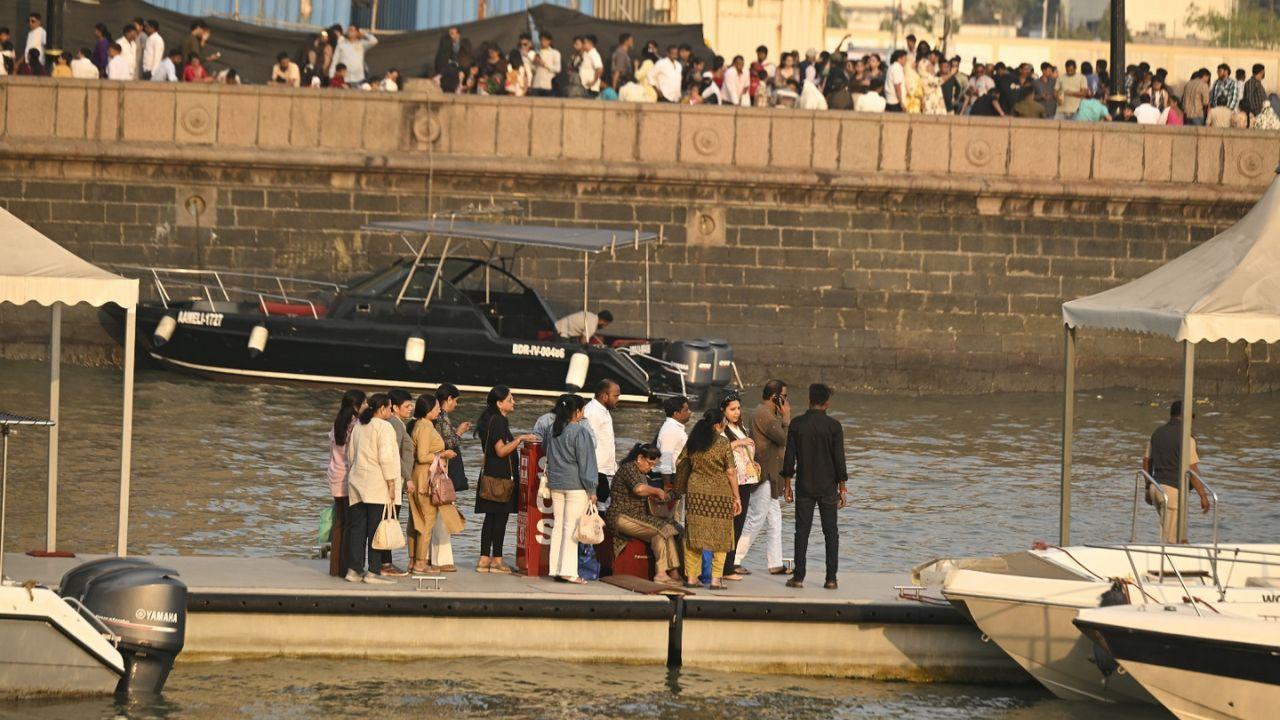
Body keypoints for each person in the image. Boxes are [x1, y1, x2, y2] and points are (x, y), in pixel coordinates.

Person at [782, 383, 848, 590]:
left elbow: (789, 458)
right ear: (827, 404)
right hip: (828, 487)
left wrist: (787, 486)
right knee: (831, 533)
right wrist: (842, 488)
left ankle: (799, 577)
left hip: (804, 486)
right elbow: (839, 460)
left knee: (802, 532)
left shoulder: (797, 424)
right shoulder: (834, 426)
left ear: (809, 400)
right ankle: (831, 579)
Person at [474, 386, 538, 574]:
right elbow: (501, 451)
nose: (514, 402)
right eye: (510, 399)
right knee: (499, 519)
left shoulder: (490, 420)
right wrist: (519, 439)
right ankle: (497, 561)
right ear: (499, 403)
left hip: (489, 477)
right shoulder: (498, 421)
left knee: (490, 519)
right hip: (501, 479)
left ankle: (484, 559)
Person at [677, 409, 739, 590]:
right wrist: (737, 497)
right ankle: (715, 579)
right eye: (724, 423)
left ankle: (692, 578)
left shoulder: (694, 441)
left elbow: (680, 462)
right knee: (722, 536)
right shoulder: (723, 443)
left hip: (695, 492)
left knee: (694, 536)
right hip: (720, 493)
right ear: (717, 425)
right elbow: (731, 472)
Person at [343, 393, 399, 584]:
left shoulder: (359, 426)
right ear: (382, 409)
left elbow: (351, 455)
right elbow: (386, 457)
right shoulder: (385, 427)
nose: (391, 411)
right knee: (376, 530)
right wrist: (392, 484)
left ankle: (354, 569)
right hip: (377, 484)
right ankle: (373, 571)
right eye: (390, 408)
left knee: (358, 529)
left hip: (357, 482)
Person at [607, 443, 682, 585]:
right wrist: (657, 491)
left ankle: (673, 572)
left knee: (666, 528)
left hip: (637, 517)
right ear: (640, 457)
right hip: (621, 516)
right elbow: (639, 490)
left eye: (654, 465)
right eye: (650, 463)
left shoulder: (641, 472)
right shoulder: (628, 469)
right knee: (660, 530)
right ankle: (662, 573)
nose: (650, 468)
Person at [544, 394, 598, 584]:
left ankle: (556, 568)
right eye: (582, 409)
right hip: (576, 486)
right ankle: (569, 571)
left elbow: (546, 451)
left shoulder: (551, 430)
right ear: (576, 412)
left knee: (558, 526)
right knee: (571, 528)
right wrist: (592, 490)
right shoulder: (579, 432)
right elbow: (587, 463)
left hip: (556, 484)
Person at [737, 380, 789, 575]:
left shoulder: (769, 413)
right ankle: (734, 558)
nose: (786, 401)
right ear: (775, 397)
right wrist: (787, 418)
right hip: (764, 472)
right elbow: (783, 439)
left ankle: (775, 563)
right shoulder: (764, 414)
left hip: (772, 473)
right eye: (784, 396)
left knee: (775, 518)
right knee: (756, 517)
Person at [1142, 400, 1211, 544]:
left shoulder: (1157, 433)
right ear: (1187, 416)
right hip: (1172, 491)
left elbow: (1146, 461)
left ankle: (1179, 548)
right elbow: (1191, 468)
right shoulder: (1187, 438)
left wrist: (1148, 487)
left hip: (1156, 487)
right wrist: (1203, 495)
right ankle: (1168, 562)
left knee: (1170, 530)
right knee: (1171, 539)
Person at [407, 394, 457, 574]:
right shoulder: (426, 427)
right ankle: (421, 563)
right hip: (425, 477)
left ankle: (413, 561)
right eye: (436, 408)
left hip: (418, 476)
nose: (439, 410)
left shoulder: (420, 425)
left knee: (415, 521)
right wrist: (443, 454)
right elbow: (421, 456)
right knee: (427, 521)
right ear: (427, 410)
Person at [717, 394, 756, 581]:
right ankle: (725, 568)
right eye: (732, 409)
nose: (737, 412)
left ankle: (728, 564)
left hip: (745, 480)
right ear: (723, 410)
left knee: (738, 525)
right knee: (730, 524)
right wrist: (739, 443)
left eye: (738, 408)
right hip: (731, 482)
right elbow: (717, 450)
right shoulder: (721, 430)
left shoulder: (740, 427)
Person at [326, 390, 365, 577]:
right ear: (357, 406)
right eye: (364, 403)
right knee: (351, 524)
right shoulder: (355, 425)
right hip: (348, 478)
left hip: (334, 475)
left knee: (339, 522)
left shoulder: (337, 424)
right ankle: (348, 567)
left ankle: (335, 568)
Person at [381, 389, 413, 577]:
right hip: (395, 479)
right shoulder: (394, 424)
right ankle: (385, 563)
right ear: (394, 407)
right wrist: (407, 478)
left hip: (397, 479)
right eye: (407, 406)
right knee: (389, 520)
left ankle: (385, 561)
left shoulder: (398, 423)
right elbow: (394, 455)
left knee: (390, 519)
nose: (410, 409)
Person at [584, 379, 620, 503]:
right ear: (605, 396)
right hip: (594, 469)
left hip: (602, 469)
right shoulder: (592, 412)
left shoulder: (603, 410)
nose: (618, 399)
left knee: (602, 501)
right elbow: (587, 442)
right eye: (615, 396)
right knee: (596, 507)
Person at [656, 395, 691, 488]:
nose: (690, 412)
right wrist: (667, 486)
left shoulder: (675, 428)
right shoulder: (671, 430)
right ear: (676, 413)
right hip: (673, 477)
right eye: (686, 410)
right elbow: (665, 459)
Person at [531, 33, 560, 97]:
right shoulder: (538, 52)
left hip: (548, 85)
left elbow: (558, 69)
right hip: (537, 84)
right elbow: (533, 70)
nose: (542, 42)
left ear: (549, 41)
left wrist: (544, 65)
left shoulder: (554, 53)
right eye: (541, 40)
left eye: (544, 40)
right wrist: (534, 63)